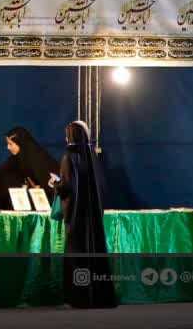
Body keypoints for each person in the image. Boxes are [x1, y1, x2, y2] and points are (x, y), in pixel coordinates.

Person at [51, 120, 119, 309]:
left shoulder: (69, 156)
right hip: (93, 217)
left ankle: (78, 298)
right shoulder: (92, 156)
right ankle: (98, 297)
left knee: (76, 256)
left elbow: (67, 186)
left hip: (76, 217)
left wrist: (55, 184)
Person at [0, 126, 60, 208]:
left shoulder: (37, 157)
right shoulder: (17, 158)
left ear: (20, 143)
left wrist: (40, 189)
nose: (8, 147)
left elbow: (53, 184)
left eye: (10, 144)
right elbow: (0, 170)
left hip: (52, 201)